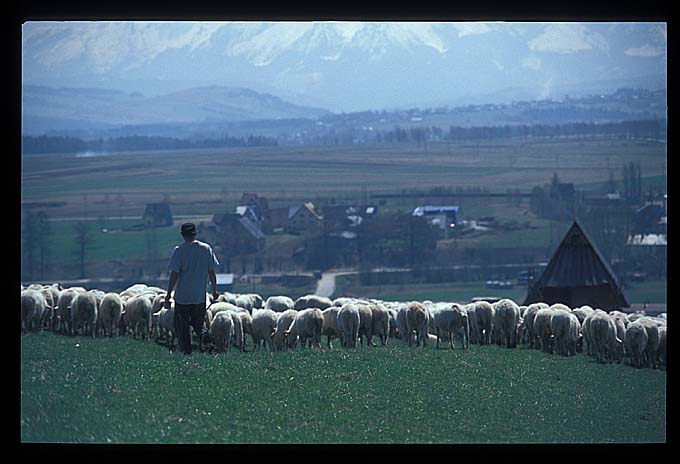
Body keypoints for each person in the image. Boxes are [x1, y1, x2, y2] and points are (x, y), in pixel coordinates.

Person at [165, 222, 220, 354]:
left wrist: (168, 294)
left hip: (183, 297)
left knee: (182, 325)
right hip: (199, 296)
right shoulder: (206, 249)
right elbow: (211, 272)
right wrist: (214, 291)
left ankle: (187, 352)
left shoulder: (179, 251)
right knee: (199, 324)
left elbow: (174, 274)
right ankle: (208, 342)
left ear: (183, 235)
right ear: (195, 233)